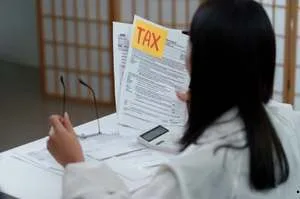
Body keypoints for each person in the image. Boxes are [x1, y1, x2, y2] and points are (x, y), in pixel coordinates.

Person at [47, 0, 300, 198]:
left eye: (191, 40)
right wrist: (212, 103)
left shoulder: (199, 169)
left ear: (201, 62)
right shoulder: (285, 127)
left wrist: (75, 163)